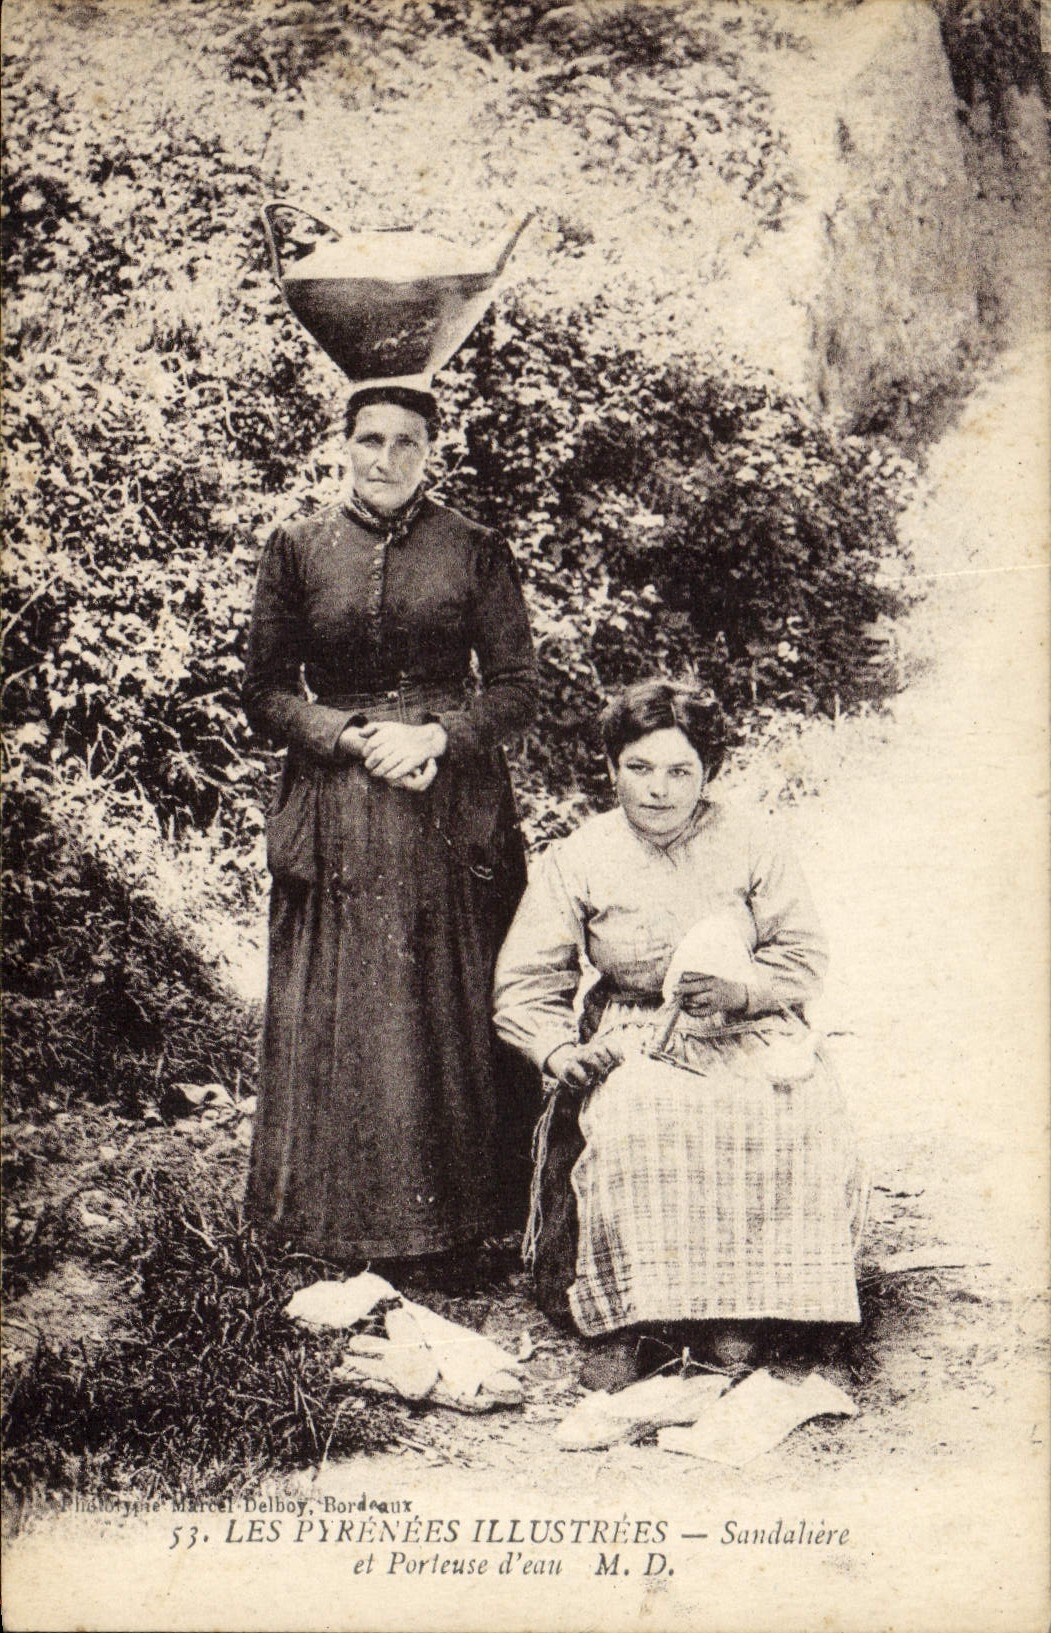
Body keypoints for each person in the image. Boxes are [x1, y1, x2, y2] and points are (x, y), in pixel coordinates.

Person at [493, 679, 866, 1389]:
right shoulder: (580, 855)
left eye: (679, 771)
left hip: (748, 1024)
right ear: (611, 768)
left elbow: (803, 955)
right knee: (641, 1117)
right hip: (634, 1026)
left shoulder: (752, 841)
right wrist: (560, 1050)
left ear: (708, 773)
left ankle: (754, 1308)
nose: (658, 790)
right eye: (638, 768)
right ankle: (639, 1315)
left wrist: (744, 989)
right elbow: (524, 981)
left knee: (799, 1110)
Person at [243, 384, 539, 1273]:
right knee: (350, 1007)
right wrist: (347, 734)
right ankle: (334, 1227)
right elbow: (263, 690)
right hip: (338, 809)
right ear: (342, 446)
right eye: (367, 440)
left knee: (451, 1001)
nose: (383, 458)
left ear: (429, 452)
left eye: (403, 443)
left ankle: (466, 1229)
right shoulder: (296, 547)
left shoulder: (476, 550)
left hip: (449, 806)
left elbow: (520, 686)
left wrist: (439, 737)